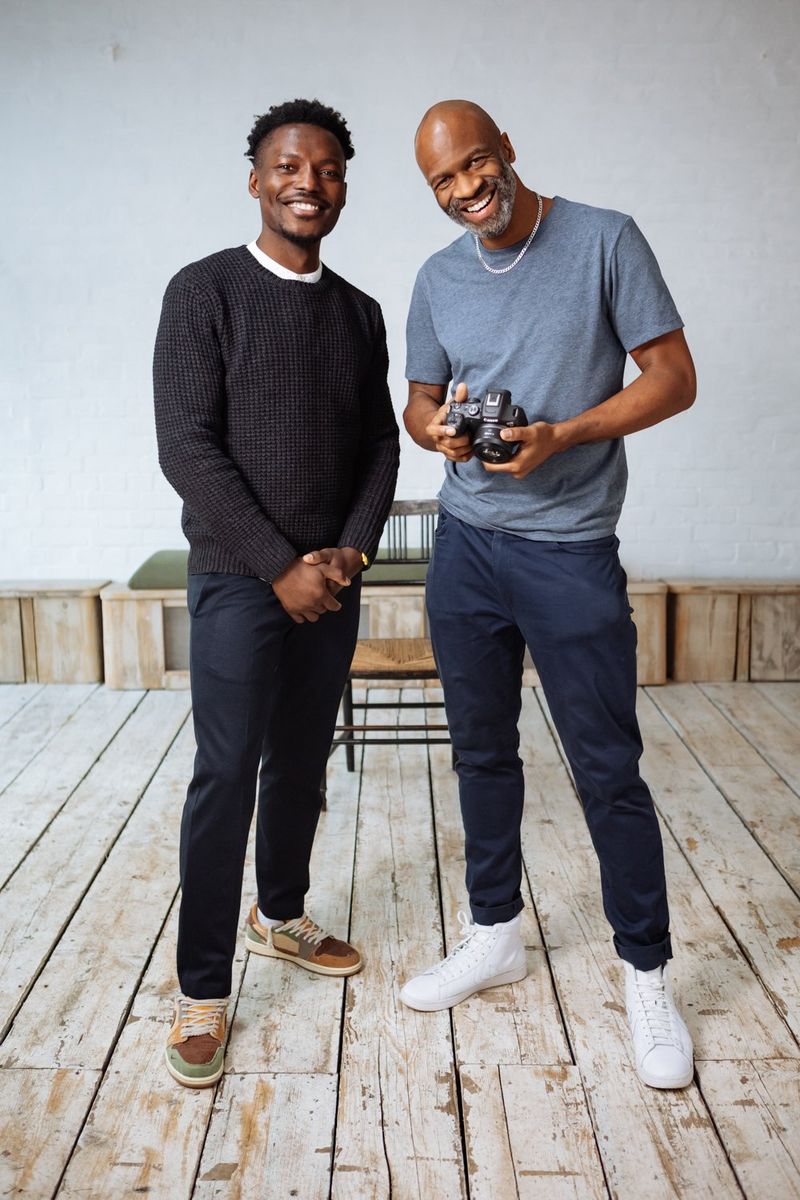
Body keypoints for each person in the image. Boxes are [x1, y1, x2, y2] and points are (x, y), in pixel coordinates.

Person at [401, 99, 696, 1090]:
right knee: (480, 751)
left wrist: (563, 434)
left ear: (507, 150)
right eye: (443, 181)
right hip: (465, 549)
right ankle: (493, 933)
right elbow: (417, 400)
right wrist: (435, 430)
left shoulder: (605, 240)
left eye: (474, 164)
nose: (464, 190)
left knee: (605, 765)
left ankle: (645, 971)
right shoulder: (436, 278)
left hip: (568, 549)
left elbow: (672, 377)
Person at [153, 98, 399, 1088]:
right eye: (289, 167)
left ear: (342, 184)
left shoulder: (358, 313)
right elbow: (187, 447)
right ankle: (201, 989)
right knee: (226, 772)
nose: (309, 183)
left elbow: (380, 444)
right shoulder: (201, 291)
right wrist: (278, 564)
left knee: (299, 761)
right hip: (235, 577)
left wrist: (346, 551)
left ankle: (282, 915)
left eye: (328, 169)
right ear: (255, 179)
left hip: (327, 582)